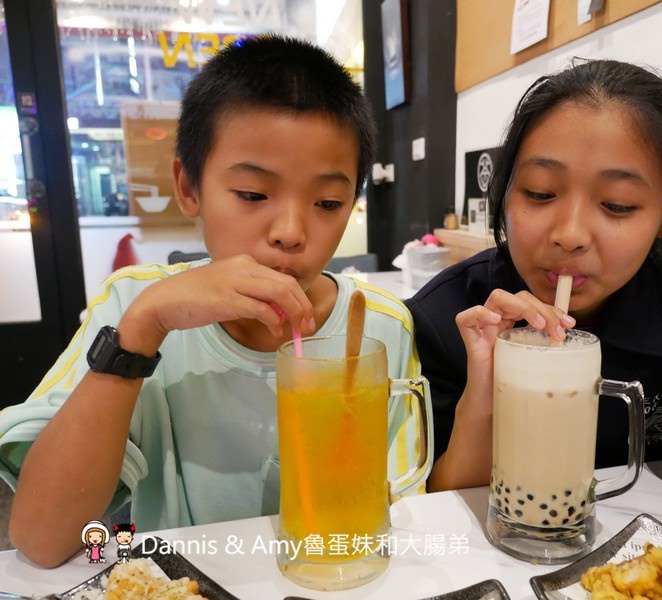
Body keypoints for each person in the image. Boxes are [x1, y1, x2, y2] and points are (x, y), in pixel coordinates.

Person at [0, 35, 425, 567]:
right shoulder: (133, 303)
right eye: (252, 194)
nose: (291, 232)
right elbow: (42, 540)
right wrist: (141, 332)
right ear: (188, 186)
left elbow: (403, 513)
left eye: (327, 202)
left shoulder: (383, 328)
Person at [406, 59, 662, 492]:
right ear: (504, 194)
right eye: (539, 193)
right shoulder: (446, 315)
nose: (570, 235)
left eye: (618, 204)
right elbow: (442, 506)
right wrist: (484, 401)